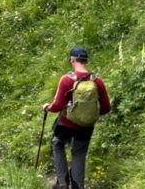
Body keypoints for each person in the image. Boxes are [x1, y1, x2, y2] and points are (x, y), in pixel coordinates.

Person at [43, 47, 112, 189]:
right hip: (86, 126)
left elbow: (57, 105)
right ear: (86, 61)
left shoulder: (67, 80)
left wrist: (47, 107)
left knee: (58, 143)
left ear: (73, 60)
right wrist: (88, 114)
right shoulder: (97, 81)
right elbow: (106, 108)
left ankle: (62, 183)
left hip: (67, 124)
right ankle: (78, 186)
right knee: (79, 153)